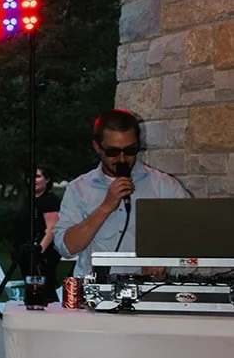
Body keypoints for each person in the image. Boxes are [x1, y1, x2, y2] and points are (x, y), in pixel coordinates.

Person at [54, 109, 190, 275]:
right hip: (96, 291)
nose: (122, 158)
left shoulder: (164, 185)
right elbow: (67, 248)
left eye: (130, 150)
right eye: (112, 152)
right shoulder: (79, 188)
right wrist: (105, 206)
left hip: (148, 290)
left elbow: (190, 239)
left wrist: (165, 264)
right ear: (97, 147)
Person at [13, 165, 63, 300]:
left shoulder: (50, 200)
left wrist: (38, 252)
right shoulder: (29, 200)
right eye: (30, 177)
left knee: (44, 289)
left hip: (41, 254)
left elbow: (51, 229)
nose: (33, 180)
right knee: (32, 289)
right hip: (25, 252)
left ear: (47, 180)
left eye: (38, 176)